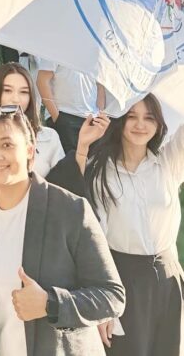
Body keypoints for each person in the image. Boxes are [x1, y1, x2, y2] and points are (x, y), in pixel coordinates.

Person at [0, 106, 125, 356]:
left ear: (30, 151)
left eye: (7, 144)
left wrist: (50, 303)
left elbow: (112, 296)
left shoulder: (70, 209)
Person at [73, 94, 183, 356]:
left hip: (169, 277)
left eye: (149, 117)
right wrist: (102, 306)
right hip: (124, 278)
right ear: (119, 120)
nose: (140, 124)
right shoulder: (100, 172)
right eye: (132, 116)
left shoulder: (169, 162)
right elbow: (92, 239)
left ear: (158, 124)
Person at [0, 62, 64, 177]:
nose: (15, 99)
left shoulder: (49, 137)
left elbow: (62, 182)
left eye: (23, 92)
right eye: (8, 90)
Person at [36, 58, 105, 151]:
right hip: (64, 116)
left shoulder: (95, 52)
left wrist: (99, 117)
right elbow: (42, 81)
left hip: (92, 120)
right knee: (67, 160)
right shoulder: (55, 49)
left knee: (90, 160)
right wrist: (57, 117)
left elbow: (100, 86)